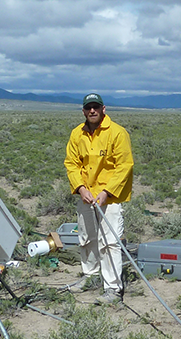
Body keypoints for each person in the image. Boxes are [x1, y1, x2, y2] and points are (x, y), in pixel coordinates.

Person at [63, 93, 134, 305]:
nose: (91, 111)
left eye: (96, 107)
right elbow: (72, 163)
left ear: (104, 109)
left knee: (110, 242)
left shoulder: (117, 133)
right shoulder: (77, 134)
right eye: (88, 107)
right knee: (87, 237)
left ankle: (113, 288)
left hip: (109, 198)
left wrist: (107, 192)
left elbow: (125, 165)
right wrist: (80, 187)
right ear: (83, 110)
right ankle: (90, 275)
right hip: (86, 196)